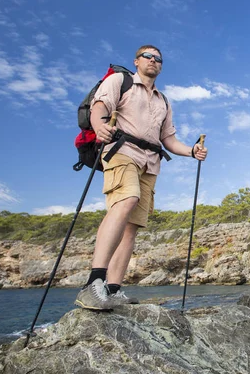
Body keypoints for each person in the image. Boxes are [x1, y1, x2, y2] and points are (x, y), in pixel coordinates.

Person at [75, 45, 207, 310]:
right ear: (136, 61)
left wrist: (192, 152)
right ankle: (93, 284)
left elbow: (168, 139)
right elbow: (99, 107)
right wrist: (101, 128)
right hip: (120, 151)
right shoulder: (119, 81)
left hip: (150, 163)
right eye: (148, 56)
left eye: (158, 59)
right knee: (126, 199)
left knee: (132, 226)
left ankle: (113, 289)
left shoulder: (163, 101)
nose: (154, 61)